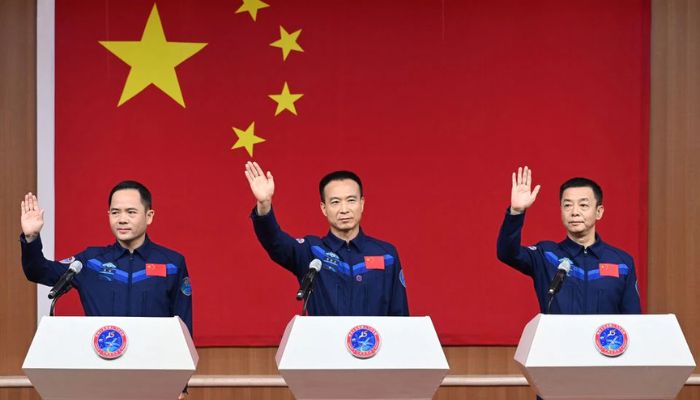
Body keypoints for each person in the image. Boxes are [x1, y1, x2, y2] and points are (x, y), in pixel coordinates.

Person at [20, 181, 193, 334]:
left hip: (154, 363)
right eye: (115, 212)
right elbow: (38, 271)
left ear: (149, 216)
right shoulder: (90, 262)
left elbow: (183, 327)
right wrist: (31, 237)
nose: (122, 219)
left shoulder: (172, 264)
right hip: (102, 361)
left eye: (131, 212)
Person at [244, 161, 409, 316]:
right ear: (324, 208)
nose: (344, 209)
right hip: (324, 345)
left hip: (374, 346)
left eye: (351, 200)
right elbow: (275, 242)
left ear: (362, 203)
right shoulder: (312, 251)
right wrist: (264, 204)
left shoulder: (386, 255)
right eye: (335, 202)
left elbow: (400, 315)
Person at [496, 166, 641, 314]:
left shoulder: (622, 263)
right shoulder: (546, 255)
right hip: (557, 337)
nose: (574, 212)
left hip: (602, 337)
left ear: (599, 212)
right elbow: (507, 253)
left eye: (583, 205)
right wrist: (516, 212)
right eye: (567, 205)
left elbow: (633, 321)